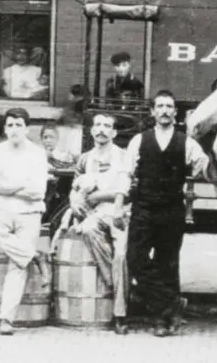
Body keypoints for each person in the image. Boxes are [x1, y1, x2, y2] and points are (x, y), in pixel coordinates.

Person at [122, 90, 214, 337]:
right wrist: (119, 203)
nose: (164, 110)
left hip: (171, 210)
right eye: (160, 106)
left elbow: (204, 167)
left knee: (167, 264)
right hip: (143, 208)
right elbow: (126, 174)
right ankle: (171, 302)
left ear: (175, 112)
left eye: (169, 106)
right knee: (135, 259)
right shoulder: (139, 141)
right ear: (152, 112)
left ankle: (162, 321)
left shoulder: (188, 143)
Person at [0, 108, 49, 336]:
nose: (13, 129)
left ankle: (5, 319)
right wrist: (21, 185)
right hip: (3, 211)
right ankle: (34, 256)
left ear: (27, 128)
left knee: (17, 266)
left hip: (29, 214)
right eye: (9, 125)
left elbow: (38, 192)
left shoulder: (37, 154)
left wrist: (7, 186)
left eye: (18, 125)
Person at [70, 113, 130, 335]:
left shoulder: (124, 157)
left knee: (121, 255)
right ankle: (119, 291)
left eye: (107, 126)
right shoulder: (85, 158)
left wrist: (98, 196)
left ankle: (120, 314)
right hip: (95, 214)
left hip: (119, 212)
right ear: (92, 130)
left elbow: (128, 190)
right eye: (98, 125)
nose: (102, 129)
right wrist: (74, 199)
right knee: (86, 228)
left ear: (114, 132)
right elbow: (75, 186)